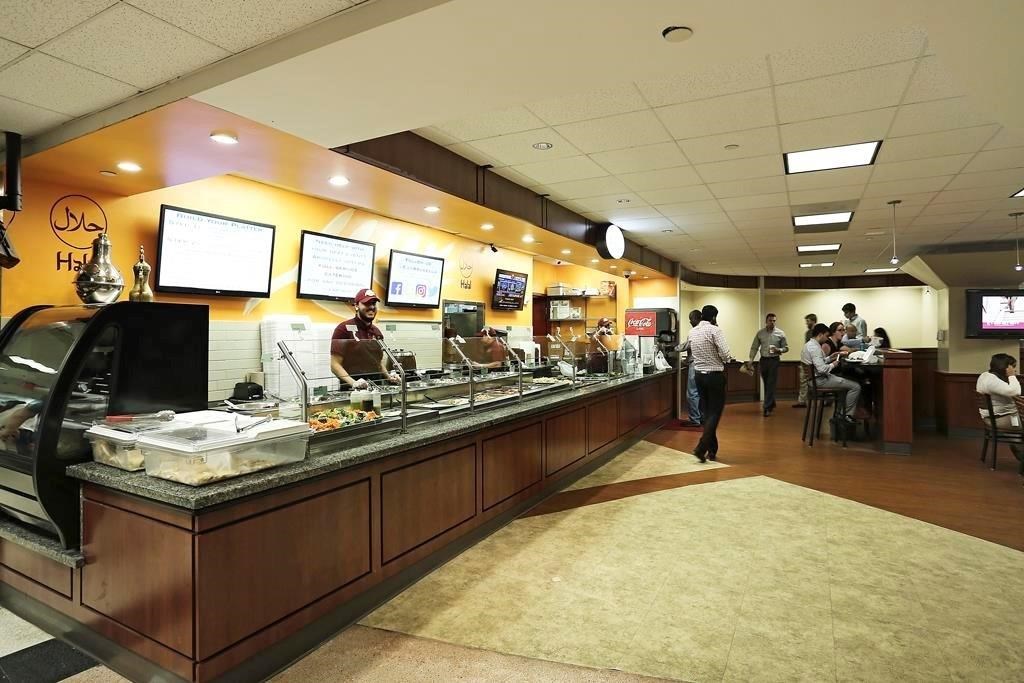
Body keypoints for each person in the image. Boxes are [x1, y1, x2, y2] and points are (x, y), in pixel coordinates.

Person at [687, 305, 731, 463]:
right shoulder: (715, 330)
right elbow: (726, 354)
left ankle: (712, 450)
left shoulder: (692, 332)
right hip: (714, 376)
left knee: (706, 412)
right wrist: (724, 358)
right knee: (714, 413)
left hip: (699, 376)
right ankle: (701, 448)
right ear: (713, 317)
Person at [330, 288, 399, 389]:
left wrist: (389, 377)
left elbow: (378, 363)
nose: (371, 307)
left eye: (374, 303)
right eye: (366, 303)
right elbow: (335, 365)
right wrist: (354, 383)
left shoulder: (377, 332)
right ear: (356, 306)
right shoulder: (343, 329)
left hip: (376, 388)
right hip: (352, 391)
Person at [802, 323, 860, 423]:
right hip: (820, 380)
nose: (827, 338)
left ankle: (840, 414)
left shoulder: (810, 345)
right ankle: (846, 415)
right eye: (826, 336)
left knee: (846, 385)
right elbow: (822, 369)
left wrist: (830, 357)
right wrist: (833, 364)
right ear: (820, 334)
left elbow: (818, 362)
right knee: (856, 386)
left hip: (816, 379)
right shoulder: (814, 348)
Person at [976, 353, 1023, 460]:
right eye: (1012, 367)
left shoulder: (986, 375)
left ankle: (1018, 447)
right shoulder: (991, 381)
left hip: (1000, 415)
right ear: (1005, 368)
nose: (1015, 370)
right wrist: (1011, 375)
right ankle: (1019, 449)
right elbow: (1015, 392)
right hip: (1001, 418)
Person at [749, 313, 788, 417]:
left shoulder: (780, 333)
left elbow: (786, 348)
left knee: (771, 382)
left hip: (774, 360)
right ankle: (771, 403)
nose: (772, 322)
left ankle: (766, 407)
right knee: (766, 383)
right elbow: (754, 347)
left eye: (774, 321)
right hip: (763, 360)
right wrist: (751, 360)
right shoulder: (760, 333)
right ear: (766, 321)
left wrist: (779, 350)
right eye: (770, 320)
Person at [676, 309, 704, 427]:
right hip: (704, 366)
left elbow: (688, 345)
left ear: (696, 319)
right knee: (701, 393)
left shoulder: (694, 331)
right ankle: (702, 417)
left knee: (692, 393)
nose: (690, 322)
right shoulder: (707, 330)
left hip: (695, 365)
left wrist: (674, 348)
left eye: (691, 319)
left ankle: (694, 419)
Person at [794, 313, 817, 408]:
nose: (806, 323)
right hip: (806, 360)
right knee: (803, 380)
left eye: (808, 321)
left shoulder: (818, 332)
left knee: (819, 380)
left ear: (813, 321)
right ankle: (802, 401)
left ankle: (827, 400)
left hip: (815, 360)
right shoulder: (807, 333)